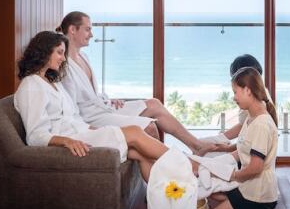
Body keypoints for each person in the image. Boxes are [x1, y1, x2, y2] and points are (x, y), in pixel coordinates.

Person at [13, 30, 186, 182]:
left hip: (81, 133)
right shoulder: (31, 85)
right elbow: (35, 136)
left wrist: (95, 129)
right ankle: (190, 165)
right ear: (44, 51)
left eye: (64, 53)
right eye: (59, 52)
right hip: (73, 141)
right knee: (135, 131)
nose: (63, 59)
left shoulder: (52, 82)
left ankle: (169, 197)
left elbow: (73, 118)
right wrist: (67, 141)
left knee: (143, 155)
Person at [57, 11, 219, 155]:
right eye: (87, 29)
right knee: (150, 127)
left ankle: (196, 145)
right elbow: (71, 107)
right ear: (72, 30)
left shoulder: (84, 57)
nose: (91, 34)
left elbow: (89, 94)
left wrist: (107, 100)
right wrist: (91, 130)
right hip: (92, 118)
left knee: (154, 104)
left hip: (103, 107)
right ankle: (170, 169)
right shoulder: (64, 66)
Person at [202, 67, 279, 209]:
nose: (234, 97)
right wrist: (213, 163)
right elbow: (242, 150)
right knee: (210, 191)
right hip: (248, 187)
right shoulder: (251, 117)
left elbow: (255, 167)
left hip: (257, 197)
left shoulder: (261, 124)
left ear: (247, 90)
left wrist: (231, 176)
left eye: (235, 92)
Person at [199, 54, 263, 152]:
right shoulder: (259, 96)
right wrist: (221, 139)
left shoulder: (253, 106)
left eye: (235, 91)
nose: (234, 98)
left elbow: (251, 143)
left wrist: (223, 143)